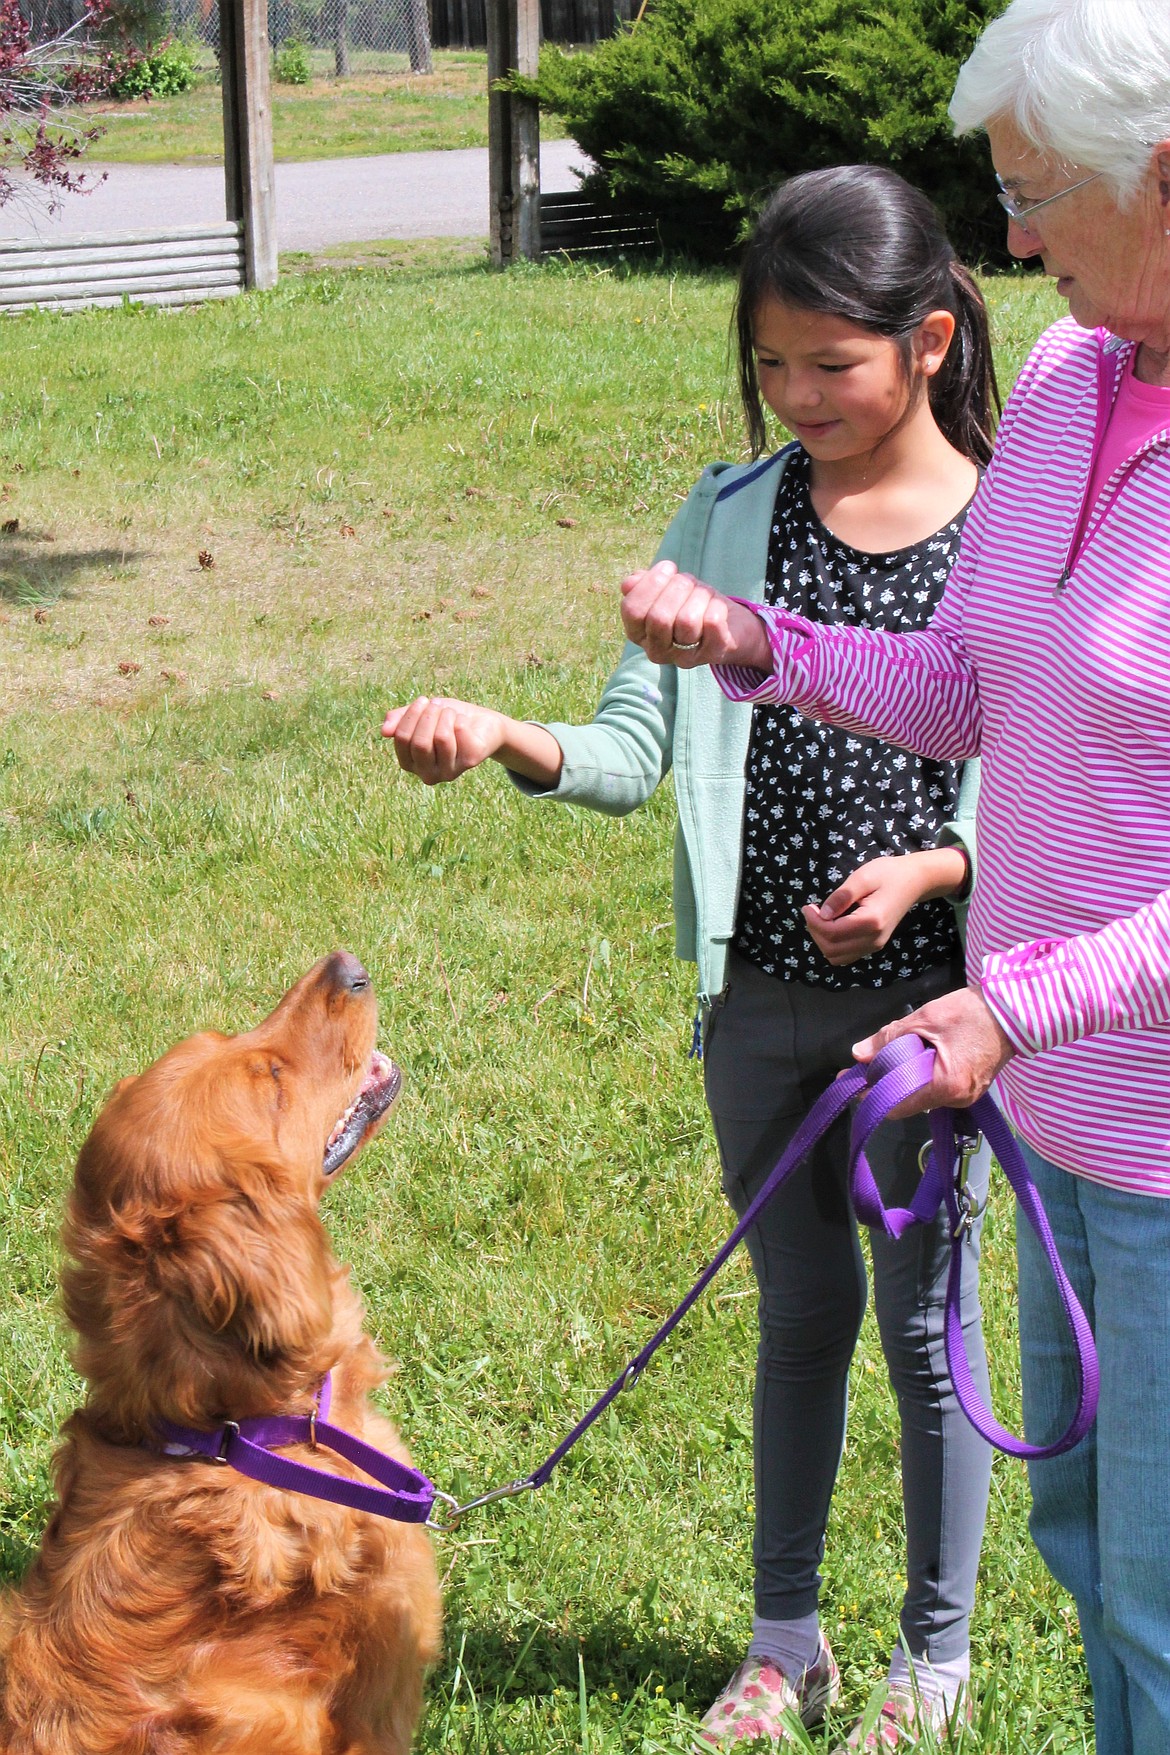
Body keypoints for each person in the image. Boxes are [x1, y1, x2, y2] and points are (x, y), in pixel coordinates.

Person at [384, 165, 1001, 1751]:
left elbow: (1055, 769)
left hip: (938, 1013)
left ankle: (934, 1662)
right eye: (770, 367)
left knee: (927, 1328)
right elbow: (627, 746)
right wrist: (509, 735)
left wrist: (940, 865)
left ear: (926, 343)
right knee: (799, 1319)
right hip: (760, 1007)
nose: (797, 398)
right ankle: (781, 1639)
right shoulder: (728, 518)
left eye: (832, 367)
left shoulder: (1007, 524)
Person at [617, 5, 1170, 1752]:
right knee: (1090, 1548)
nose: (1008, 236)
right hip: (1054, 1107)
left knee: (1157, 1589)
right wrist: (760, 641)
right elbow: (965, 678)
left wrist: (1011, 1001)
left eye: (1034, 194)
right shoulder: (1080, 383)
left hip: (1144, 1120)